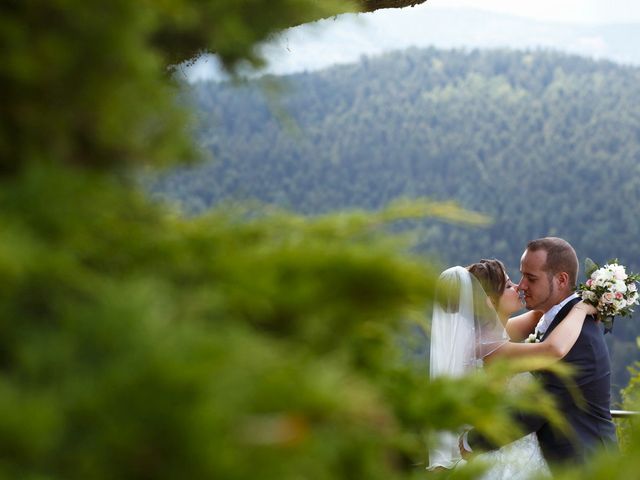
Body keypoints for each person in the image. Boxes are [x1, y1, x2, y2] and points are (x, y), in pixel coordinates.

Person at [427, 257, 595, 475]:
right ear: (489, 301)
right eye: (508, 286)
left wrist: (597, 291)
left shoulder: (489, 336)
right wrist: (582, 309)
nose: (519, 287)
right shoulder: (490, 350)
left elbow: (539, 314)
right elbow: (554, 349)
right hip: (505, 458)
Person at [461, 238, 618, 470]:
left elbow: (538, 409)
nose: (521, 286)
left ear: (562, 279)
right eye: (519, 277)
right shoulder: (555, 320)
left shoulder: (577, 337)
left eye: (531, 278)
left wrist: (473, 442)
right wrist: (582, 304)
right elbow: (546, 340)